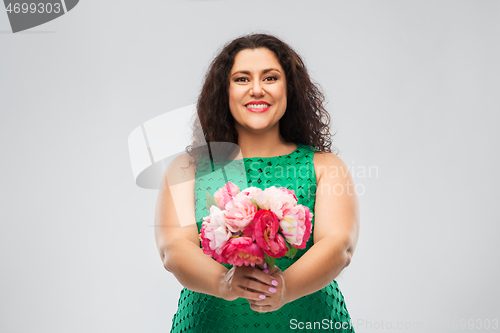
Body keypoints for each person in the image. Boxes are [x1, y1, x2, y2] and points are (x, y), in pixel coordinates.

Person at [154, 33, 360, 332]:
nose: (256, 90)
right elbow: (173, 249)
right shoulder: (187, 169)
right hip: (211, 323)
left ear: (289, 88)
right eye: (241, 79)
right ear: (223, 91)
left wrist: (285, 288)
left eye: (270, 77)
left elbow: (339, 245)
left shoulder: (325, 166)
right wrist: (224, 283)